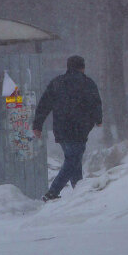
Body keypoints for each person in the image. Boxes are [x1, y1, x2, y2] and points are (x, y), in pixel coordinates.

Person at [32, 55, 102, 202]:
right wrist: (98, 119)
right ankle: (53, 192)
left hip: (61, 128)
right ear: (82, 67)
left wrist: (38, 125)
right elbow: (95, 102)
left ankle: (79, 190)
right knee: (72, 160)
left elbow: (44, 104)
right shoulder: (87, 83)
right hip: (79, 128)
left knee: (74, 159)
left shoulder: (57, 83)